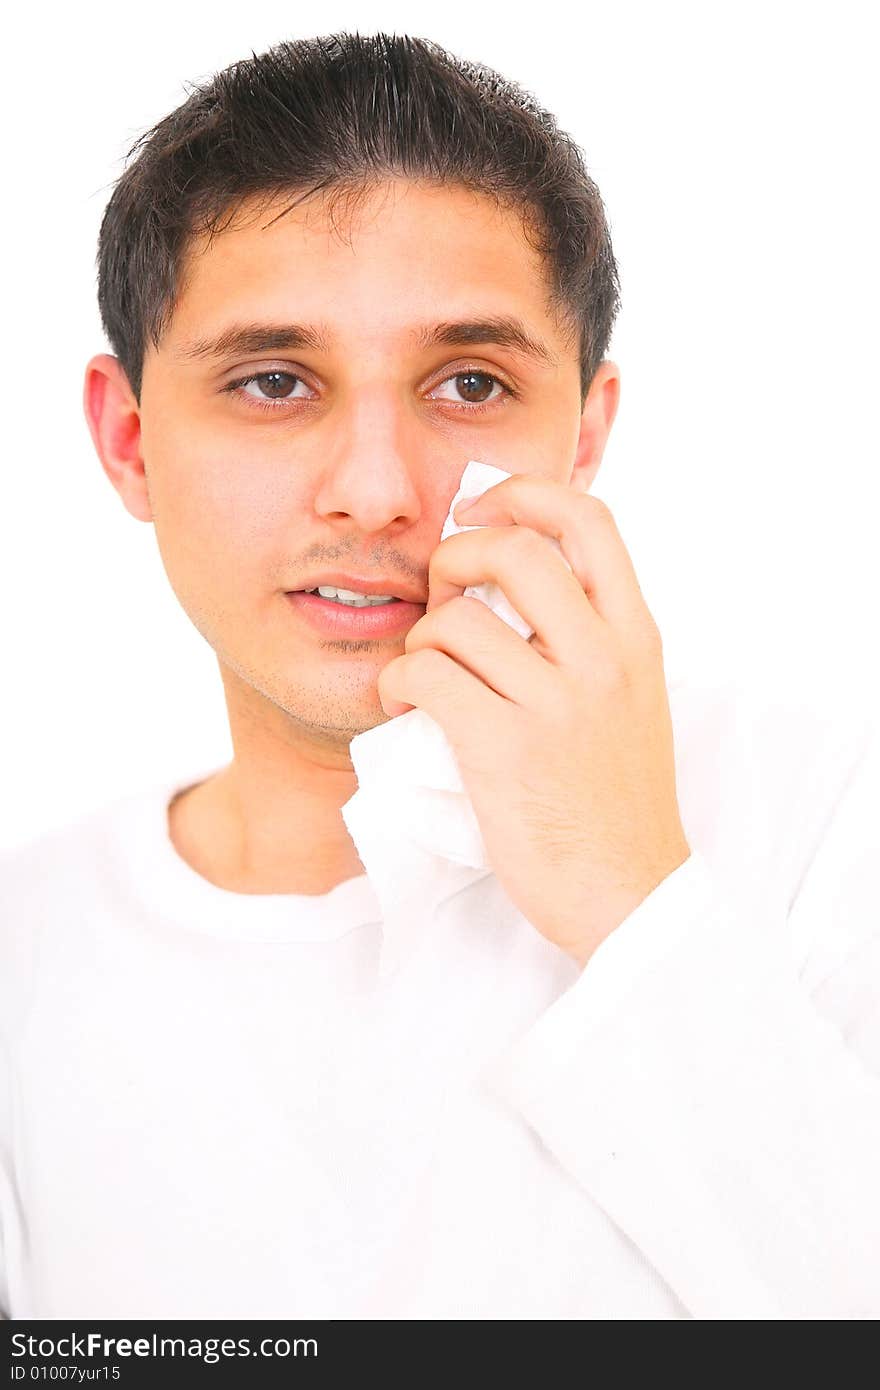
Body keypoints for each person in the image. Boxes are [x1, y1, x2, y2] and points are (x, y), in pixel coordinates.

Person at [1, 30, 878, 1321]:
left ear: (583, 434)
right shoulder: (31, 956)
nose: (373, 490)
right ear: (130, 439)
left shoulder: (815, 812)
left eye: (469, 382)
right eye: (271, 380)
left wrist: (633, 898)